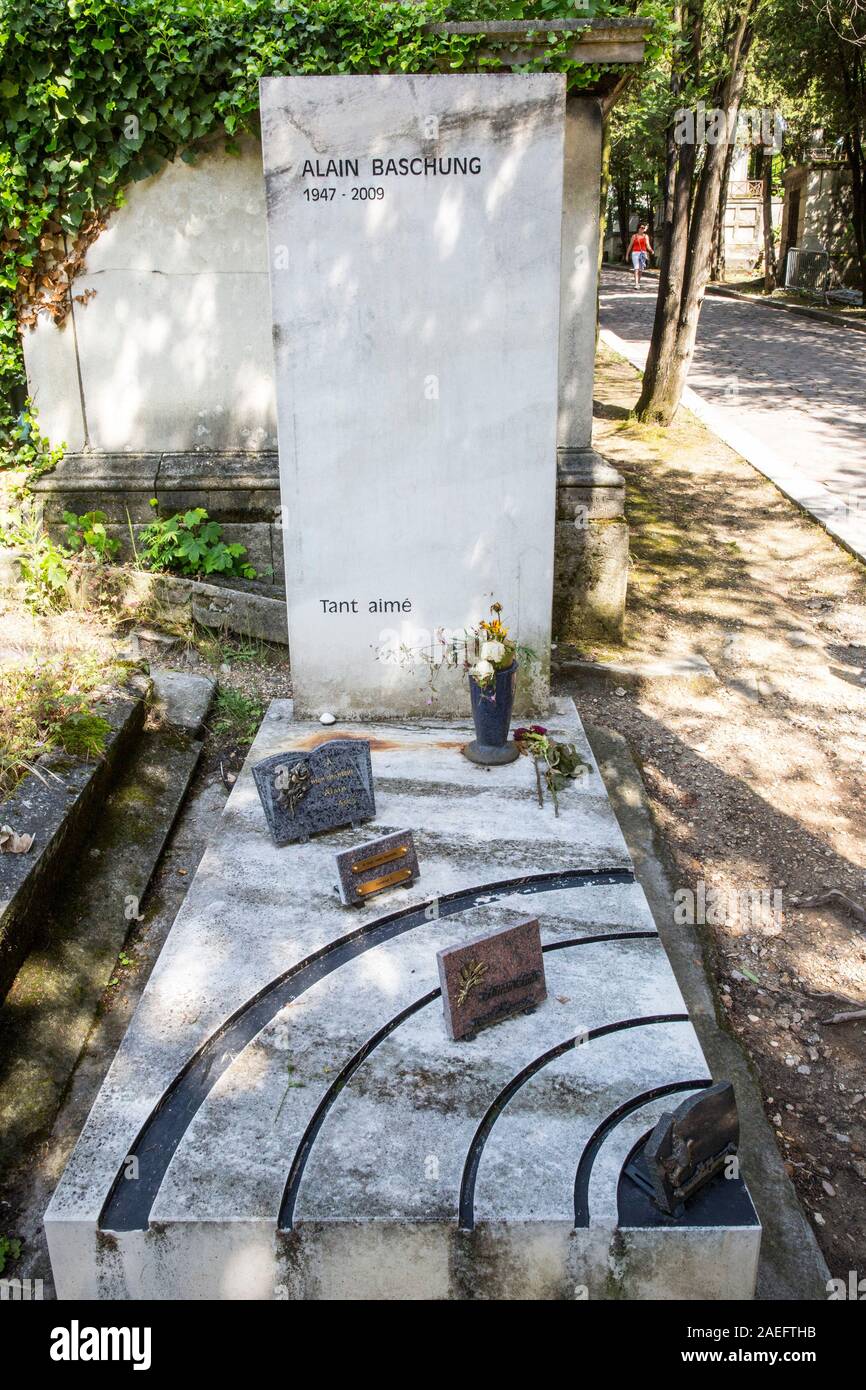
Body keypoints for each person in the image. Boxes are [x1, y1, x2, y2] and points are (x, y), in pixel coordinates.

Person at [625, 222, 653, 288]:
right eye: (641, 228)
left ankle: (638, 282)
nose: (642, 229)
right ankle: (636, 283)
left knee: (640, 269)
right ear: (638, 228)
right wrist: (627, 255)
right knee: (636, 268)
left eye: (644, 228)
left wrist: (651, 250)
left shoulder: (646, 236)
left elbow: (648, 245)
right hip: (635, 253)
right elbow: (630, 246)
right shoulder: (634, 236)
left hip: (643, 253)